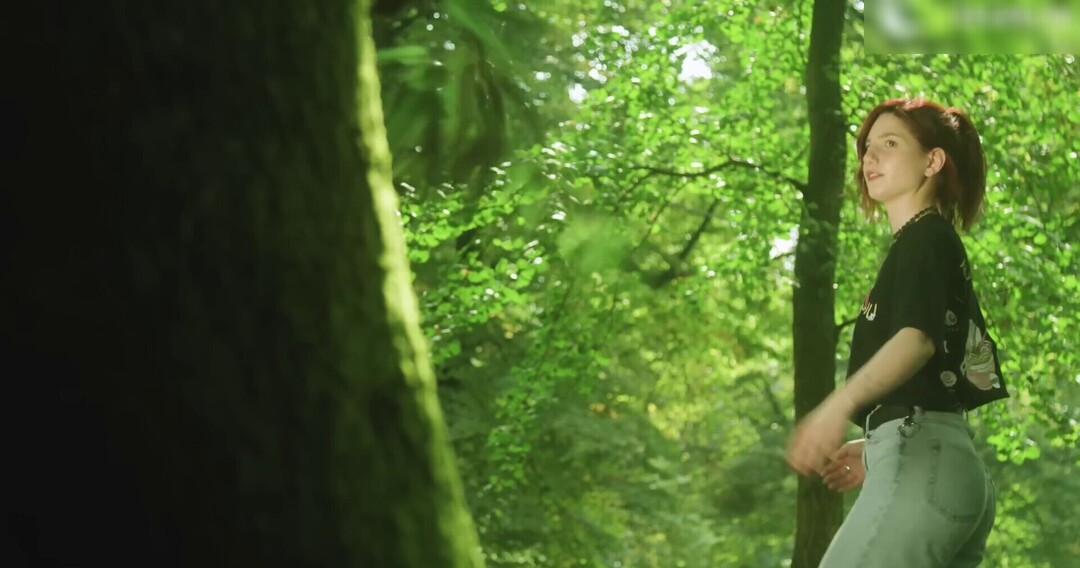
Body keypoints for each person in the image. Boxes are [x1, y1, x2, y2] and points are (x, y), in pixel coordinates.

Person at [785, 98, 1010, 567]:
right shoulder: (926, 244)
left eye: (890, 143)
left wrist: (835, 408)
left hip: (923, 465)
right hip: (945, 468)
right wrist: (874, 449)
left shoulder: (925, 238)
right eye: (867, 147)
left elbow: (916, 341)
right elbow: (935, 374)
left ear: (932, 161)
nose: (870, 157)